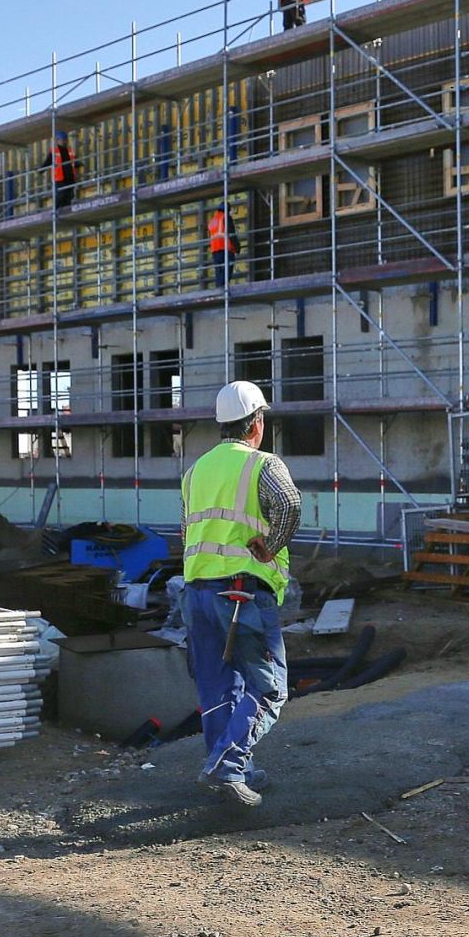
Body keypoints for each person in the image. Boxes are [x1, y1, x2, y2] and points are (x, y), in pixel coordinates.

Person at [180, 380, 301, 807]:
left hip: (196, 594)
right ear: (257, 423)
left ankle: (232, 768)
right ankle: (228, 765)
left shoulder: (195, 472)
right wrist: (271, 545)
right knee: (269, 689)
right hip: (241, 593)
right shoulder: (263, 465)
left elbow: (186, 531)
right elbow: (289, 506)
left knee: (217, 688)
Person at [207, 204, 240, 288]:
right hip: (226, 247)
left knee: (219, 271)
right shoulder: (226, 218)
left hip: (215, 249)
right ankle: (224, 289)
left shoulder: (212, 220)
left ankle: (219, 288)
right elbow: (231, 234)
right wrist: (237, 247)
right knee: (227, 269)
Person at [46, 129, 79, 209]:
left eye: (65, 140)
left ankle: (66, 210)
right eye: (63, 140)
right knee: (60, 196)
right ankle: (56, 211)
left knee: (69, 196)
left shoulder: (70, 151)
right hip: (60, 178)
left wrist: (77, 171)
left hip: (70, 178)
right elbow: (48, 162)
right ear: (57, 140)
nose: (65, 142)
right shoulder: (54, 151)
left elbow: (74, 163)